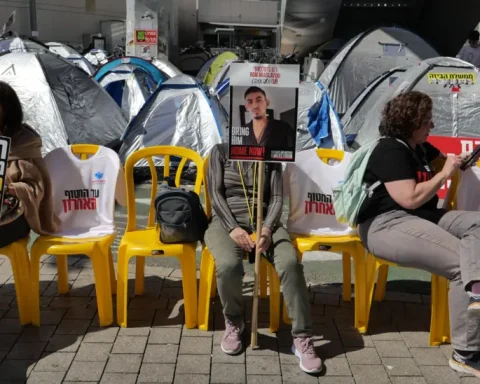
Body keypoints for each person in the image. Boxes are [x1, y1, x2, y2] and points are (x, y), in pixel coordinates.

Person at [357, 91, 480, 377]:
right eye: (426, 120)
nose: (432, 124)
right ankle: (465, 353)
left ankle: (476, 292)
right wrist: (445, 173)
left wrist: (457, 162)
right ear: (409, 121)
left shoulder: (420, 147)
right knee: (463, 264)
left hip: (422, 217)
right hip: (386, 224)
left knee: (477, 226)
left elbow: (444, 163)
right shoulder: (390, 150)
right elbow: (409, 198)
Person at [205, 142, 322, 374]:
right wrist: (232, 229)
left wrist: (267, 229)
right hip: (225, 221)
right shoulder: (220, 151)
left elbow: (278, 198)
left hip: (264, 220)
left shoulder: (271, 153)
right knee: (228, 265)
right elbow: (214, 194)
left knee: (289, 263)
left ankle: (302, 336)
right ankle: (234, 320)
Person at [0, 80, 59, 247]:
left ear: (6, 109)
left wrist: (7, 189)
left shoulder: (24, 142)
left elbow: (35, 190)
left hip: (15, 214)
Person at [242, 86, 296, 150]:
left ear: (267, 103)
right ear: (246, 107)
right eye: (250, 102)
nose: (255, 106)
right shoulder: (242, 132)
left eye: (259, 100)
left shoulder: (284, 127)